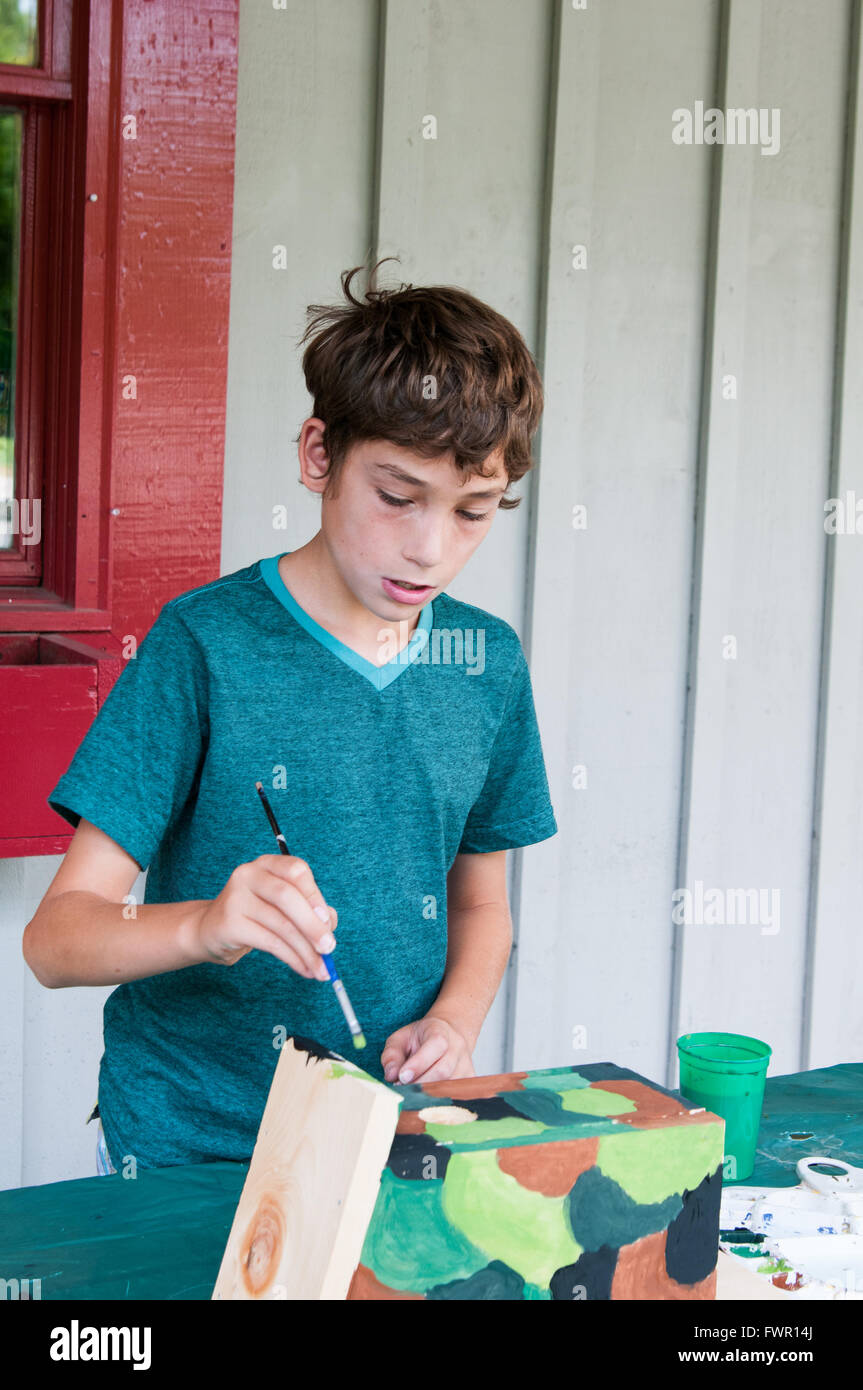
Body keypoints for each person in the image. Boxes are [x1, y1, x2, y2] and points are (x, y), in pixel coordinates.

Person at [23, 260, 559, 1173]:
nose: (430, 548)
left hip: (388, 1131)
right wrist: (207, 925)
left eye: (472, 512)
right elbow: (57, 940)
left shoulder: (488, 664)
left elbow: (482, 905)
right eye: (396, 496)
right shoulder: (204, 644)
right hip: (194, 1140)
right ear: (318, 455)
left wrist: (453, 1022)